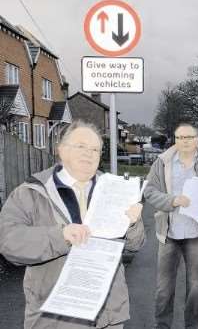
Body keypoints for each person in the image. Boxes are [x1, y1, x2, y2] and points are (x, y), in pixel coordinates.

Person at [0, 120, 146, 329]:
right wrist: (61, 236)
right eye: (81, 146)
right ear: (61, 149)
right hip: (55, 319)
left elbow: (136, 245)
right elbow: (8, 242)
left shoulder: (115, 189)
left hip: (107, 317)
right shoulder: (31, 192)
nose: (89, 153)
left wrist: (133, 225)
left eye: (95, 149)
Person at [144, 123, 198, 329]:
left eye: (189, 137)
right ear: (175, 139)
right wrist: (173, 201)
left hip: (196, 235)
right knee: (164, 289)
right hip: (169, 234)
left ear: (197, 139)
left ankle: (193, 326)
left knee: (195, 288)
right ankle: (162, 326)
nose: (185, 141)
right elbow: (149, 191)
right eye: (180, 137)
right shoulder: (162, 162)